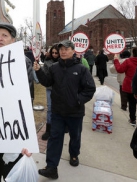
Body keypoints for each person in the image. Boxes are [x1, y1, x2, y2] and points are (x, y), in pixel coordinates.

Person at [33, 39, 96, 179]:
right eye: (61, 49)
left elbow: (90, 89)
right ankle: (51, 167)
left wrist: (78, 100)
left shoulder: (81, 69)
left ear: (73, 51)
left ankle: (74, 154)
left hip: (75, 112)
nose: (63, 51)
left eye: (66, 49)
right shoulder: (54, 67)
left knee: (75, 136)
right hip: (58, 112)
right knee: (55, 138)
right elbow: (47, 82)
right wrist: (38, 71)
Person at [0, 22, 34, 182]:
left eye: (4, 35)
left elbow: (27, 101)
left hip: (11, 129)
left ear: (12, 40)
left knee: (10, 173)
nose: (0, 38)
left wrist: (26, 138)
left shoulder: (23, 62)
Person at [114, 47, 137, 126]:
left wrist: (116, 60)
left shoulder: (129, 61)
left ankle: (133, 119)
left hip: (130, 85)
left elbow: (119, 69)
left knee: (132, 103)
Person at [41, 44, 60, 140]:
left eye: (56, 53)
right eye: (53, 53)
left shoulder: (63, 61)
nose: (55, 54)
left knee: (60, 108)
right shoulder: (47, 62)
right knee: (50, 108)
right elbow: (44, 74)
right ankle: (48, 129)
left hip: (60, 89)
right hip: (50, 88)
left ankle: (59, 127)